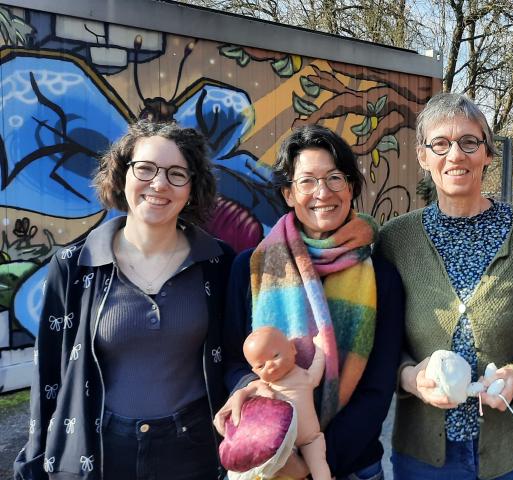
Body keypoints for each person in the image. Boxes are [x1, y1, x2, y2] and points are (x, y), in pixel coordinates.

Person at [15, 121, 234, 479]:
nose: (159, 184)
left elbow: (235, 357)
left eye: (177, 173)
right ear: (122, 175)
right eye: (145, 169)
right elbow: (49, 375)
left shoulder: (219, 263)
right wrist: (35, 460)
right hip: (99, 451)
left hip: (195, 448)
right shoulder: (74, 267)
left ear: (193, 189)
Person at [377, 92, 513, 480]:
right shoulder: (396, 240)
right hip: (426, 455)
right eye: (440, 144)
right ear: (423, 156)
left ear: (488, 154)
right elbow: (380, 338)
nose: (456, 155)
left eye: (469, 142)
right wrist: (409, 377)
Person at [215, 124, 404, 480]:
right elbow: (232, 360)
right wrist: (249, 397)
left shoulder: (382, 278)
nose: (323, 192)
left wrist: (311, 463)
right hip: (269, 462)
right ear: (288, 193)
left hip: (352, 465)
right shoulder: (250, 268)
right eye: (307, 181)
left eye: (335, 178)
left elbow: (378, 388)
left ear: (350, 187)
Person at [240, 327, 330, 480]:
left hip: (310, 438)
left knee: (319, 464)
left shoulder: (303, 376)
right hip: (283, 445)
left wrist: (320, 348)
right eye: (261, 366)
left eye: (275, 356)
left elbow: (318, 366)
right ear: (255, 371)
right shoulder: (264, 388)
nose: (270, 365)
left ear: (292, 348)